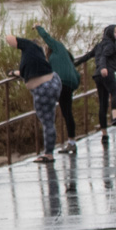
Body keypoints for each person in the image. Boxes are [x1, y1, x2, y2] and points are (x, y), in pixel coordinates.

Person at [11, 32, 61, 162]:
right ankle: (49, 152)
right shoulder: (38, 56)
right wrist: (15, 73)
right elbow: (28, 71)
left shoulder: (30, 50)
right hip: (53, 82)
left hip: (43, 89)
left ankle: (49, 154)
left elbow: (11, 39)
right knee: (49, 119)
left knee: (48, 122)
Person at [35, 24, 79, 153]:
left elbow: (46, 37)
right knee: (67, 113)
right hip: (67, 85)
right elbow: (76, 74)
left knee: (50, 112)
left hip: (60, 84)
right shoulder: (61, 59)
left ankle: (49, 149)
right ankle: (71, 142)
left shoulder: (59, 48)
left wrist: (38, 27)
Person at [91, 24, 116, 144]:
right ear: (110, 33)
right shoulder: (110, 45)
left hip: (97, 76)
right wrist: (104, 67)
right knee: (115, 92)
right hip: (106, 73)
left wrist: (73, 64)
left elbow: (87, 56)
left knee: (103, 104)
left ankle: (104, 134)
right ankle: (115, 117)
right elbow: (104, 56)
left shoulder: (99, 45)